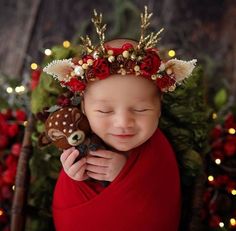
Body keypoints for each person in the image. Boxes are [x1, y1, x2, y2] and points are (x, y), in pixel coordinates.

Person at [43, 7, 197, 231]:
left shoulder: (159, 152)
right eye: (105, 111)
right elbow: (70, 208)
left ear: (159, 108)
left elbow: (161, 207)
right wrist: (73, 176)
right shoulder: (79, 142)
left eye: (142, 110)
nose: (124, 123)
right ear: (84, 108)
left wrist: (126, 178)